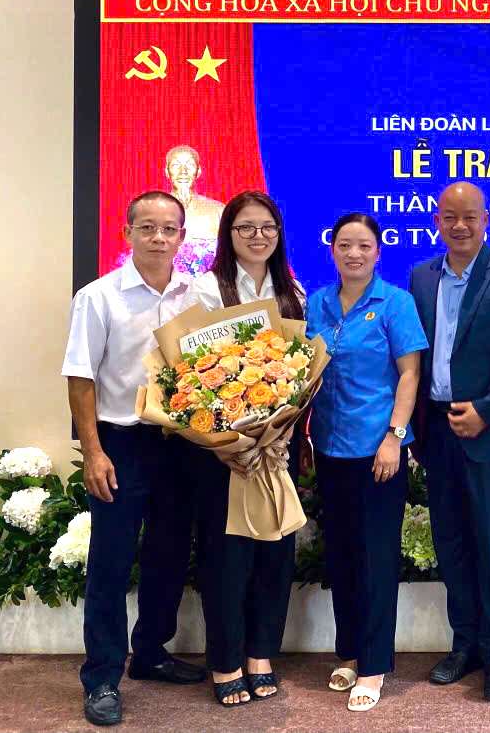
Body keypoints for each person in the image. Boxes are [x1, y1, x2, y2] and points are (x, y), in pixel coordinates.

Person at [63, 191, 207, 727]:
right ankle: (101, 677)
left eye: (169, 230)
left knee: (169, 554)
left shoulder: (196, 298)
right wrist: (93, 451)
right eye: (147, 228)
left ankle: (150, 652)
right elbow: (80, 379)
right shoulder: (98, 297)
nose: (158, 238)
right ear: (127, 233)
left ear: (181, 239)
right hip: (120, 443)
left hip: (179, 444)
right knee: (111, 561)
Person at [408, 181, 490, 702]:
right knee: (453, 544)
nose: (459, 225)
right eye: (449, 216)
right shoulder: (421, 276)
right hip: (437, 430)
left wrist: (486, 409)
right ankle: (465, 643)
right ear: (437, 221)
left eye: (469, 216)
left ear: (486, 220)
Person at [303, 213, 429, 712]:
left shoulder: (395, 303)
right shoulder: (317, 303)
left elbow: (409, 375)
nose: (354, 253)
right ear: (332, 250)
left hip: (379, 451)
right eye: (344, 245)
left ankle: (374, 665)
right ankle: (350, 651)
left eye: (364, 246)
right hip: (329, 449)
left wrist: (395, 437)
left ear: (378, 252)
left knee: (376, 558)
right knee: (342, 555)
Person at [187, 190, 307, 707]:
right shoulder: (205, 290)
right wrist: (226, 441)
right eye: (246, 228)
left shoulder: (293, 290)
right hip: (226, 453)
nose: (258, 237)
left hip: (278, 448)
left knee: (275, 554)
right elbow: (194, 374)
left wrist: (279, 433)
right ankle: (226, 660)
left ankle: (262, 653)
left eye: (267, 228)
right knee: (227, 558)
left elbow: (302, 371)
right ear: (228, 234)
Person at [165, 145, 226, 242]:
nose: (183, 172)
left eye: (190, 165)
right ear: (167, 172)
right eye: (176, 165)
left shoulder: (219, 211)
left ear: (198, 171)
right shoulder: (150, 211)